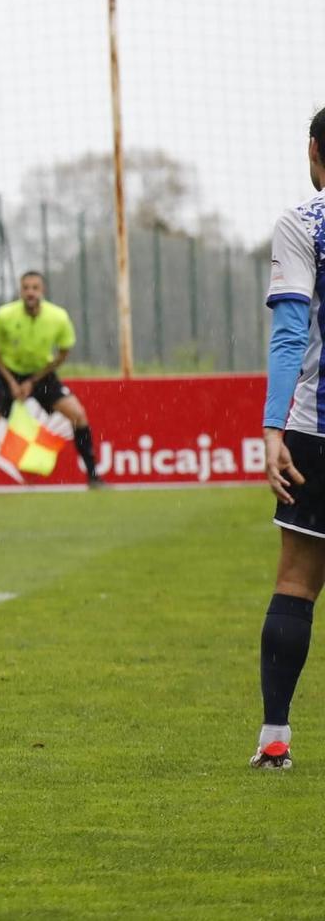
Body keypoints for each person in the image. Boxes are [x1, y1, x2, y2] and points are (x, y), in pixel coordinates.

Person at [252, 107, 325, 769]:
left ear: (314, 150)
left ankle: (275, 737)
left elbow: (289, 333)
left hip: (315, 428)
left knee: (297, 581)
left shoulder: (304, 224)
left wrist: (273, 424)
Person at [0, 271, 103, 491]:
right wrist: (11, 382)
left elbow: (64, 352)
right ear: (20, 290)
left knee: (78, 415)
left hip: (41, 374)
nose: (30, 292)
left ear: (42, 291)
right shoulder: (5, 315)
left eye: (35, 288)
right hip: (7, 374)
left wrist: (33, 381)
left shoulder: (58, 317)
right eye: (26, 288)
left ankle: (94, 478)